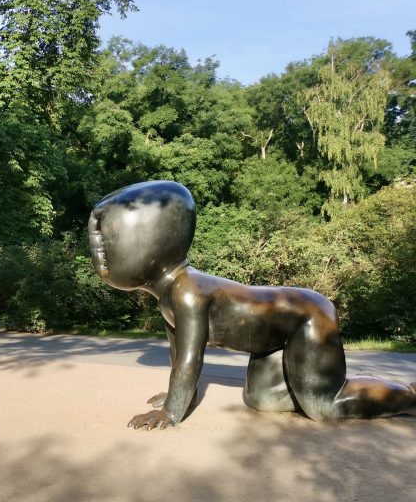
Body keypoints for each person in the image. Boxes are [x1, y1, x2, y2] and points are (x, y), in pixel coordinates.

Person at [88, 180, 416, 429]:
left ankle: (406, 395)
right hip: (269, 337)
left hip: (305, 316)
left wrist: (171, 413)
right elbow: (178, 354)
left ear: (151, 244)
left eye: (108, 240)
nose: (101, 251)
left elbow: (191, 359)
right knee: (263, 400)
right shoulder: (169, 294)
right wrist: (173, 396)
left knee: (324, 406)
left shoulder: (188, 291)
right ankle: (362, 383)